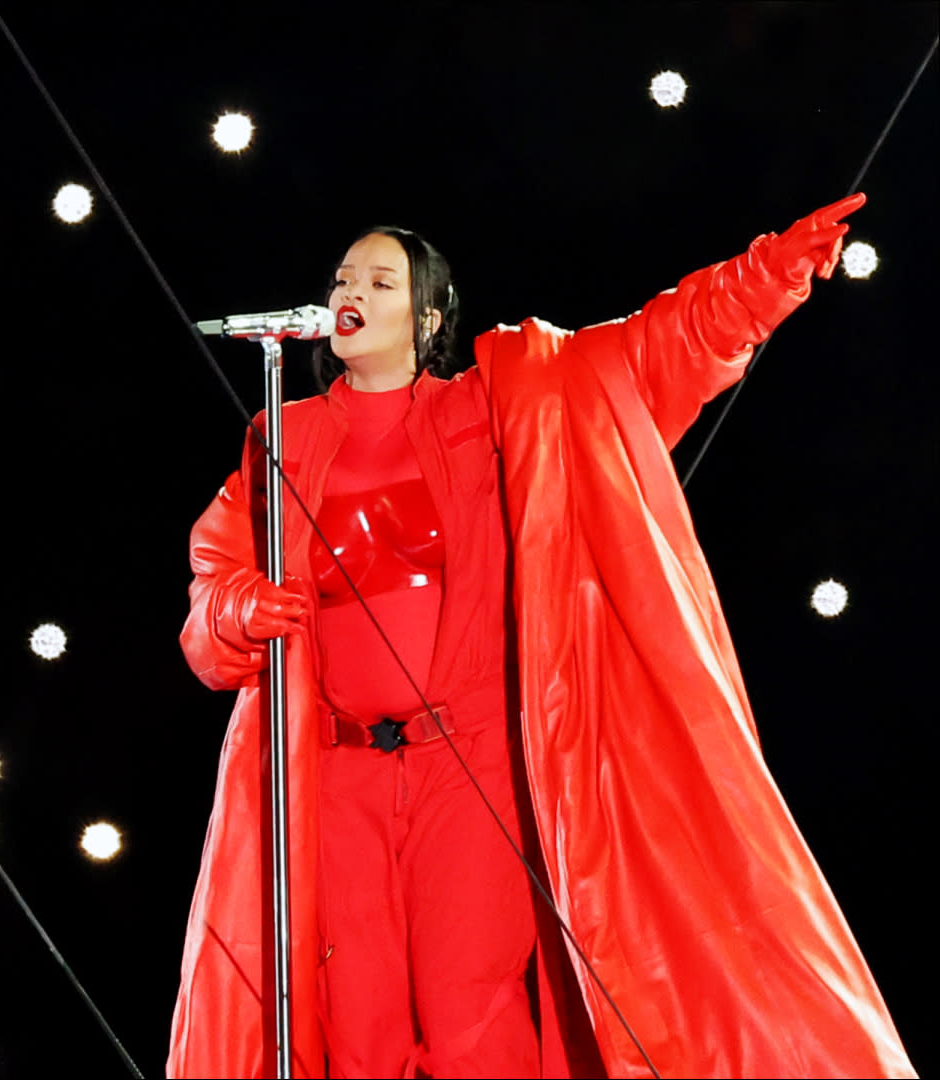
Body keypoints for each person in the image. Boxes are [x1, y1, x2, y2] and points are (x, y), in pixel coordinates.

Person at [167, 195, 917, 1079]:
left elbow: (651, 351)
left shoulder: (495, 403)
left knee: (466, 1015)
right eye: (342, 277)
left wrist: (763, 275)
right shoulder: (282, 438)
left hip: (468, 753)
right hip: (337, 774)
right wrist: (240, 610)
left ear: (430, 313)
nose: (351, 291)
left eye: (380, 278)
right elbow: (211, 597)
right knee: (357, 1026)